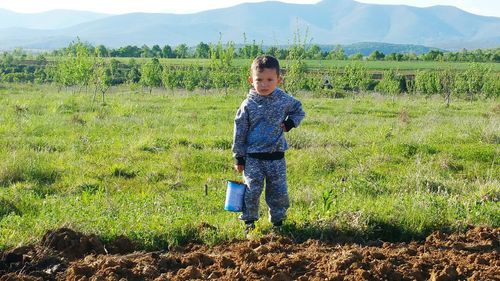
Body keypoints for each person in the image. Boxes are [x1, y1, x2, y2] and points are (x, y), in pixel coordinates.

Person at [232, 55, 305, 236]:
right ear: (251, 80)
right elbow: (239, 131)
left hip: (276, 157)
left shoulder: (284, 99)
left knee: (278, 191)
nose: (264, 84)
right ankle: (249, 224)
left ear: (279, 80)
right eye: (259, 80)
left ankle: (278, 224)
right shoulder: (248, 104)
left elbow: (299, 110)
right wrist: (239, 156)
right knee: (251, 191)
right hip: (253, 158)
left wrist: (290, 123)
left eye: (270, 80)